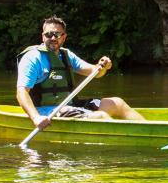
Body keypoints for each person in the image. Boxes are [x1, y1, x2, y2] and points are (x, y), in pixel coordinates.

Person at [16, 15, 145, 129]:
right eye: (49, 34)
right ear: (43, 36)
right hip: (45, 111)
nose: (53, 38)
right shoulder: (32, 58)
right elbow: (21, 93)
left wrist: (103, 67)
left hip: (70, 106)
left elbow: (95, 72)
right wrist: (35, 118)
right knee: (100, 116)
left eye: (57, 34)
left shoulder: (66, 55)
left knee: (117, 102)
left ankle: (150, 130)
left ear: (64, 37)